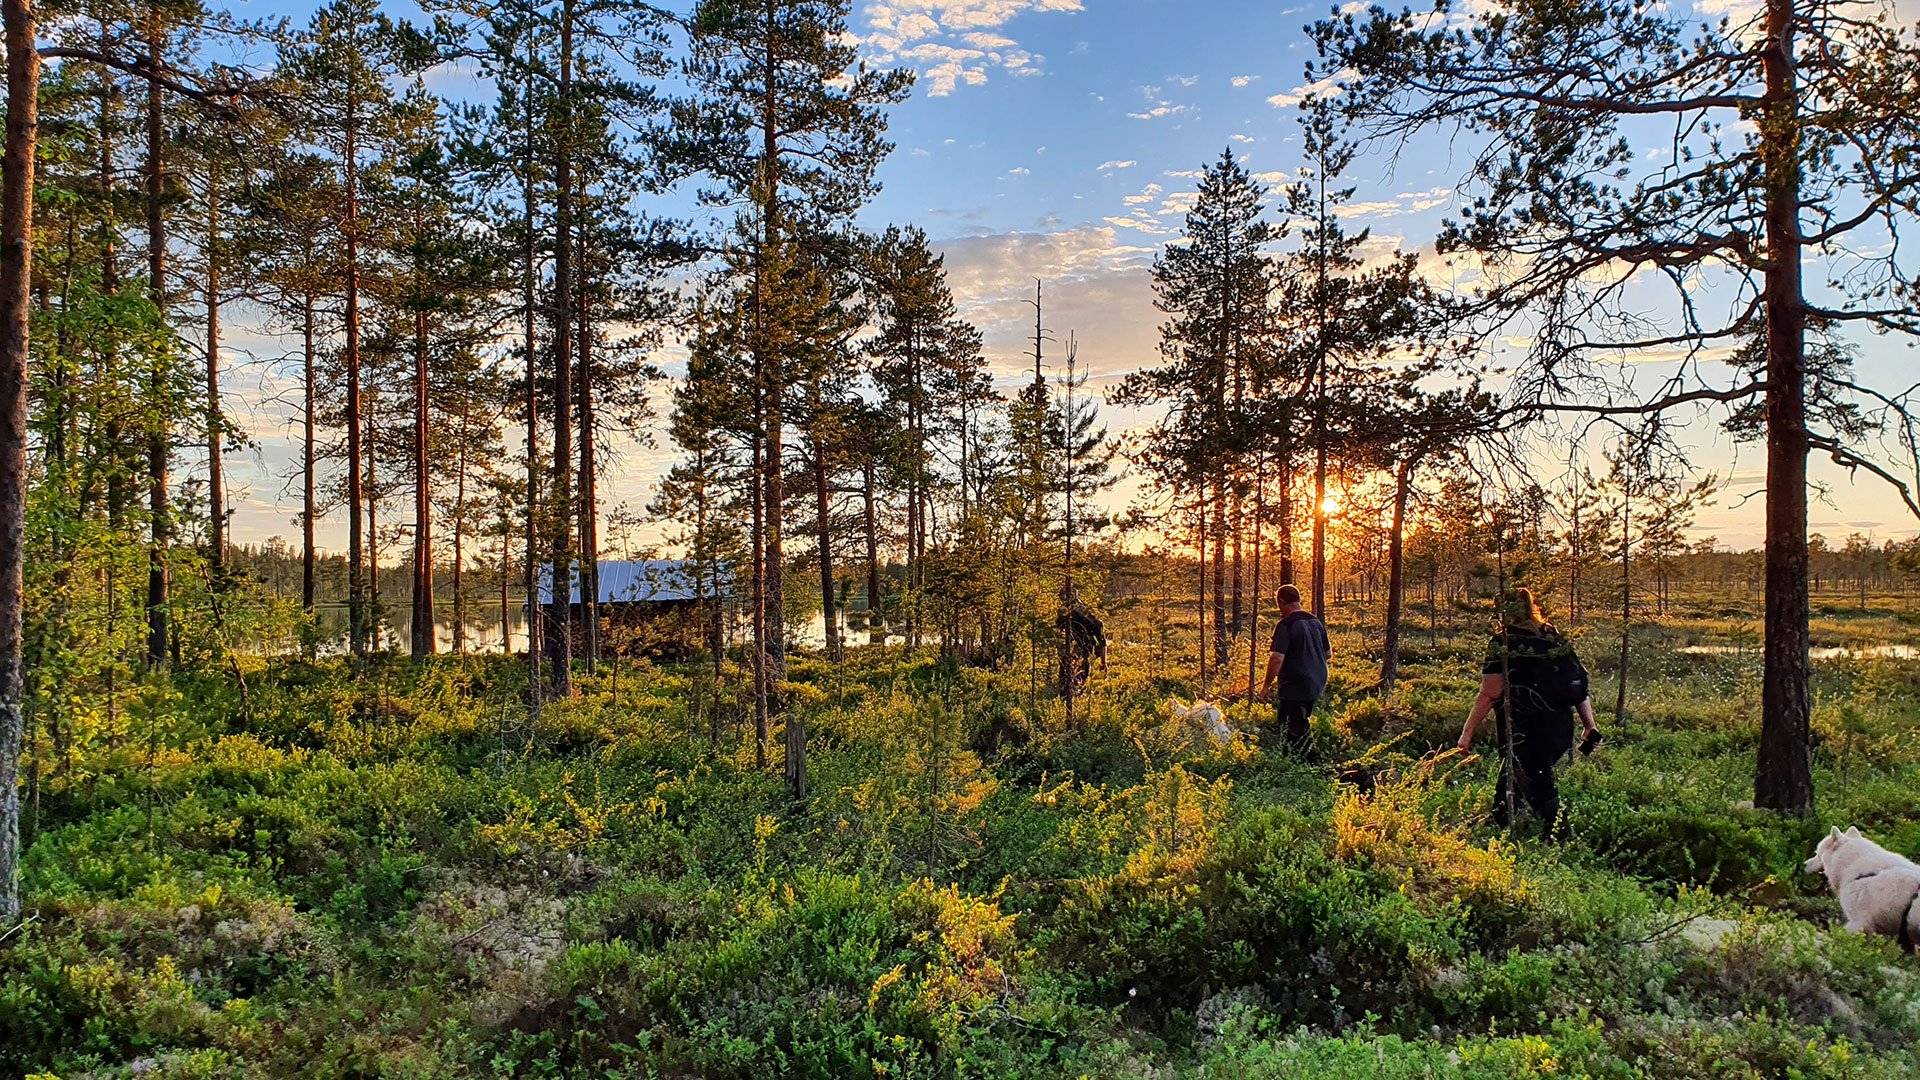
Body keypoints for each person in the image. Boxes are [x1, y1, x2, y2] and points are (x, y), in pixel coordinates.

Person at [1455, 587, 1601, 836]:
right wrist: (1590, 725)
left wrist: (1467, 733)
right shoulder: (1553, 636)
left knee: (1538, 782)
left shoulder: (1503, 643)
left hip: (1523, 728)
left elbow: (1490, 693)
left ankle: (1561, 836)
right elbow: (1578, 685)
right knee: (1513, 774)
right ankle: (1501, 821)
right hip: (1559, 728)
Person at [1257, 584, 1330, 749]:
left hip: (1297, 684)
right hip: (1318, 680)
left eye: (1279, 605)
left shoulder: (1286, 624)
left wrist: (1266, 686)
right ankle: (1297, 756)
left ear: (1281, 602)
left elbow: (1276, 658)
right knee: (1297, 719)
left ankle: (1305, 761)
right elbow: (1328, 654)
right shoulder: (1315, 621)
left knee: (1291, 724)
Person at [1057, 583, 1107, 691]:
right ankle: (1071, 692)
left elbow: (1099, 630)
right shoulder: (1067, 611)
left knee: (1075, 674)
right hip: (1079, 650)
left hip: (1081, 649)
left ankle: (1071, 693)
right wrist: (1103, 661)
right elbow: (1100, 633)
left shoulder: (1076, 611)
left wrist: (1103, 660)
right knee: (1074, 675)